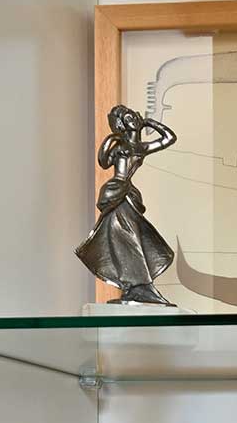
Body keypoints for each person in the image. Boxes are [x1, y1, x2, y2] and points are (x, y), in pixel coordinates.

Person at [75, 104, 177, 302]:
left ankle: (138, 284)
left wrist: (150, 122)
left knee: (130, 234)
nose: (133, 119)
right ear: (121, 123)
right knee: (119, 234)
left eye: (133, 116)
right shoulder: (119, 145)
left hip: (128, 194)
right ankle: (136, 284)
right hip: (115, 190)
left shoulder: (141, 147)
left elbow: (169, 138)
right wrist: (110, 139)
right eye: (127, 117)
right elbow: (103, 161)